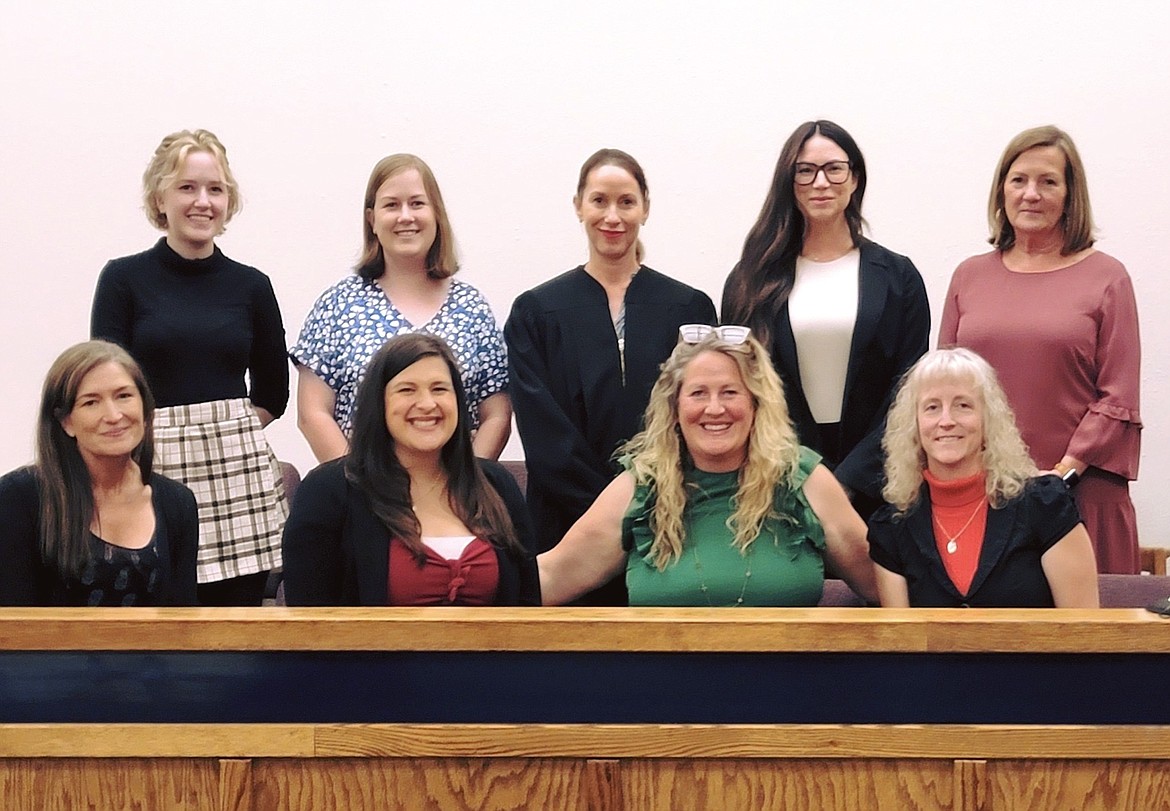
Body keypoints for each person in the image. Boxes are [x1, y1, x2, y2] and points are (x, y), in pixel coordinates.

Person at [505, 148, 716, 604]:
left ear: (645, 207)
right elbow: (544, 433)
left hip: (670, 524)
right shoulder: (535, 312)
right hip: (565, 529)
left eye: (626, 201)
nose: (612, 216)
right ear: (578, 205)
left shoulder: (689, 309)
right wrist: (612, 516)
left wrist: (650, 507)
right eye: (599, 200)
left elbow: (701, 418)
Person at [538, 326, 877, 607]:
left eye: (730, 392)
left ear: (756, 404)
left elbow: (882, 584)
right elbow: (552, 577)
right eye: (698, 393)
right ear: (674, 407)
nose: (714, 409)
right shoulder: (641, 486)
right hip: (665, 683)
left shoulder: (803, 479)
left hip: (791, 683)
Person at [91, 129, 288, 606]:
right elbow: (104, 383)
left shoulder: (252, 286)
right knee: (155, 607)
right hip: (148, 469)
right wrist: (163, 435)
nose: (203, 201)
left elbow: (273, 394)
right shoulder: (123, 279)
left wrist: (219, 432)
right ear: (160, 196)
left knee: (237, 622)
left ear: (228, 201)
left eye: (215, 189)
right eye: (187, 187)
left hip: (236, 477)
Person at [939, 125, 1141, 574]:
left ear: (1071, 195)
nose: (1031, 194)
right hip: (985, 496)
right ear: (1001, 191)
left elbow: (1119, 398)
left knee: (1093, 640)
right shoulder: (968, 276)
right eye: (1019, 180)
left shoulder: (1108, 278)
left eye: (1048, 181)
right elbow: (946, 388)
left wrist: (1060, 475)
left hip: (1081, 494)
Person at [722, 120, 929, 518]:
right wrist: (805, 472)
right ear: (788, 180)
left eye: (834, 168)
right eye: (805, 170)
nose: (821, 182)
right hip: (780, 479)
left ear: (855, 179)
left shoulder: (898, 277)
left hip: (880, 480)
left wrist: (848, 480)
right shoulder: (750, 279)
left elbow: (909, 388)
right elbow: (743, 386)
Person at [283, 334, 539, 606]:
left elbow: (527, 603)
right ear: (379, 403)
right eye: (407, 390)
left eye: (440, 389)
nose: (428, 404)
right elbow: (308, 624)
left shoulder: (497, 485)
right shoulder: (328, 491)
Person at [292, 154, 510, 463]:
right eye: (392, 205)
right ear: (372, 219)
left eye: (418, 204)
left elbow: (497, 415)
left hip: (454, 501)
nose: (405, 216)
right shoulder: (337, 306)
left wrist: (463, 487)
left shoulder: (472, 308)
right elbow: (313, 413)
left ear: (437, 214)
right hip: (361, 496)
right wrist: (361, 486)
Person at [869, 348, 1099, 608]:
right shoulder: (891, 527)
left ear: (988, 420)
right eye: (932, 407)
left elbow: (1083, 633)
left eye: (963, 405)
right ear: (914, 424)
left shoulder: (1045, 505)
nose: (946, 421)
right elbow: (902, 643)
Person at [0, 341, 198, 606]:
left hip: (153, 649)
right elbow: (14, 621)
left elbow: (183, 619)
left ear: (145, 408)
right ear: (65, 421)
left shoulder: (178, 502)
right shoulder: (18, 498)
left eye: (124, 396)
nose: (114, 415)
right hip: (47, 648)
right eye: (91, 402)